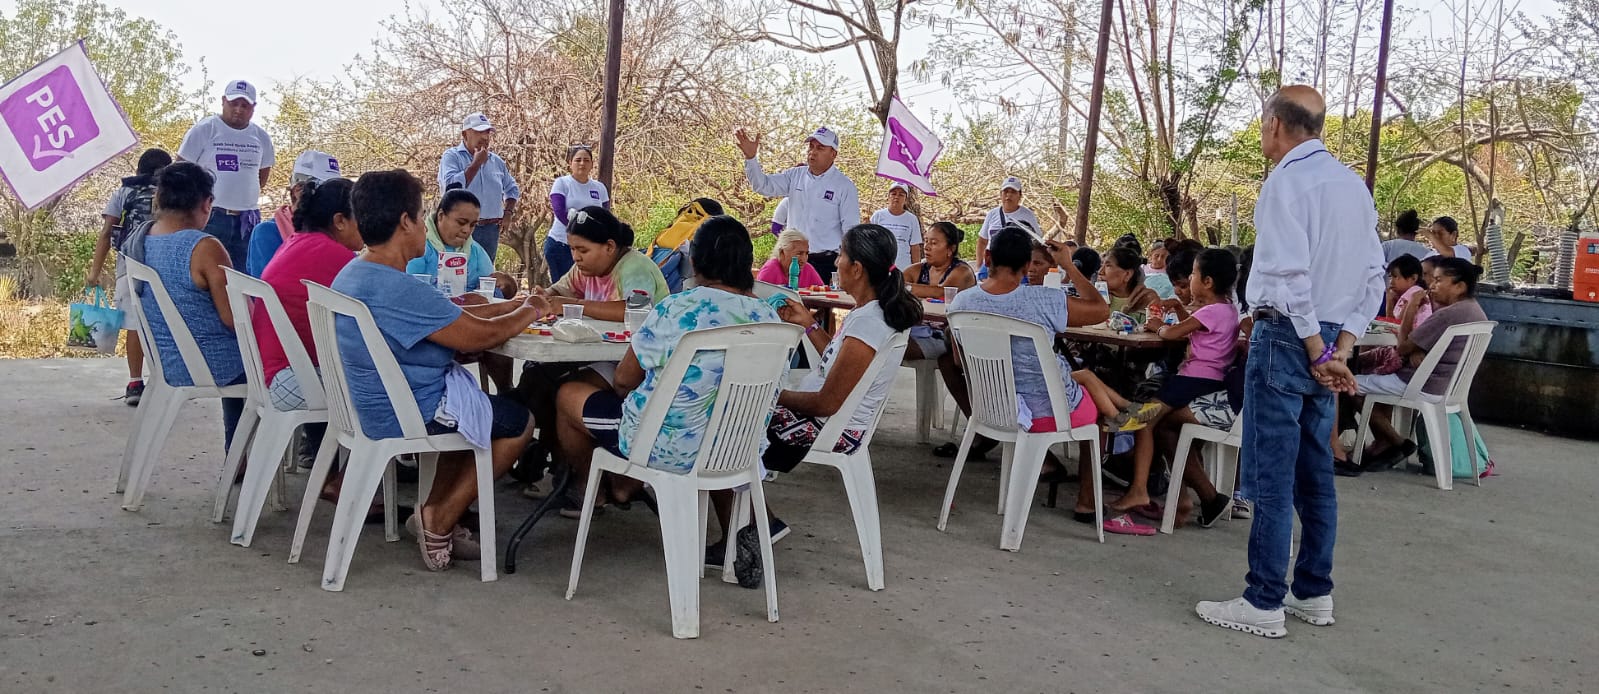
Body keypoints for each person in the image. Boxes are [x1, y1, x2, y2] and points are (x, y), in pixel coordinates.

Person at [1196, 86, 1385, 639]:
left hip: (1288, 336)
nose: (1262, 136)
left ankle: (1263, 601)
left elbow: (1287, 277)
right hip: (1328, 336)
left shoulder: (1284, 183)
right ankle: (1313, 590)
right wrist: (1342, 347)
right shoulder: (1353, 187)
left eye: (1261, 126)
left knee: (1272, 473)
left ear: (1276, 124)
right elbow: (1374, 277)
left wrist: (1313, 348)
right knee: (1315, 471)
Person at [331, 169, 548, 571]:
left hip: (372, 405)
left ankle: (433, 508)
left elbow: (457, 313)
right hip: (408, 410)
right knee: (518, 422)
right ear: (405, 222)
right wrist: (531, 310)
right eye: (422, 214)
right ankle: (440, 518)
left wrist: (507, 307)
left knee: (474, 407)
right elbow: (478, 337)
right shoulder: (399, 287)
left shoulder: (356, 273)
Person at [711, 223, 923, 585]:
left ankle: (747, 531)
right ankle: (758, 522)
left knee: (720, 427)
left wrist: (770, 396)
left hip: (827, 428)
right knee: (726, 414)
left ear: (857, 269)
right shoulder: (872, 315)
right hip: (834, 420)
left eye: (841, 256)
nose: (836, 262)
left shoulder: (869, 323)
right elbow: (839, 366)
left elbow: (826, 401)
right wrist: (809, 324)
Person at [552, 215, 784, 519]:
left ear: (695, 262)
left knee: (568, 393)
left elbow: (623, 379)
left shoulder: (676, 309)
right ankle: (622, 484)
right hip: (736, 447)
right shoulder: (769, 318)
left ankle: (596, 489)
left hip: (667, 448)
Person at [1101, 249, 1241, 513]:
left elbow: (1173, 333)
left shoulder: (1210, 311)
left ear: (1207, 281)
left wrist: (1158, 327)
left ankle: (1138, 489)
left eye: (1194, 274)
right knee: (1160, 425)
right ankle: (1183, 498)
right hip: (1210, 381)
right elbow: (1197, 330)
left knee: (1144, 419)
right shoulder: (1228, 310)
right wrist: (1177, 307)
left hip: (1192, 379)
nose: (1190, 279)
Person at [133, 163, 247, 451]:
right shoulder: (205, 247)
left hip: (166, 360)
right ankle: (244, 457)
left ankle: (239, 456)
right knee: (273, 366)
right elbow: (236, 319)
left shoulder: (141, 240)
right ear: (207, 203)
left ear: (158, 199)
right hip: (211, 365)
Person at [1345, 257, 1488, 472]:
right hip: (1445, 386)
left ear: (1459, 286)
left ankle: (1397, 442)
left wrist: (1411, 306)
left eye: (1439, 280)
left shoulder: (1448, 314)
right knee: (1374, 379)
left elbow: (1402, 347)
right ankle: (1383, 443)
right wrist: (1419, 348)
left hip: (1423, 384)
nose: (1431, 285)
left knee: (1347, 383)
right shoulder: (1473, 309)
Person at [255, 177, 359, 473]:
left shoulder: (296, 242)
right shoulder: (336, 256)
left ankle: (341, 472)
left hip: (277, 374)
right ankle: (356, 476)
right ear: (340, 221)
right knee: (384, 385)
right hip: (292, 380)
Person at [87, 148, 171, 406]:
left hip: (129, 264)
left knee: (134, 325)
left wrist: (94, 272)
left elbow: (105, 233)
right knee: (165, 324)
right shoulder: (172, 193)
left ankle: (135, 382)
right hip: (165, 264)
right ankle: (165, 382)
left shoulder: (124, 192)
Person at [737, 126, 861, 280]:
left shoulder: (844, 186)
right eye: (811, 146)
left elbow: (851, 229)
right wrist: (751, 158)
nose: (813, 152)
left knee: (819, 303)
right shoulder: (795, 175)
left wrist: (846, 262)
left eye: (820, 148)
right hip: (791, 260)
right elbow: (763, 186)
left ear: (833, 154)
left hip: (826, 262)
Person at [177, 80, 275, 266]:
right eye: (234, 103)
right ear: (223, 101)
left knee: (243, 275)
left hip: (247, 220)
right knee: (205, 271)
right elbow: (180, 172)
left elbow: (262, 174)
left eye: (245, 105)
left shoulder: (261, 137)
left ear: (253, 107)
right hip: (210, 215)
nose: (238, 109)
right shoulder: (205, 129)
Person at [540, 206, 669, 322]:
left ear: (609, 247)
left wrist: (575, 305)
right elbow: (559, 291)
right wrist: (544, 297)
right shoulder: (585, 268)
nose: (575, 257)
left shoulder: (637, 268)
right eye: (572, 249)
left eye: (583, 250)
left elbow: (634, 311)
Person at [438, 113, 521, 261]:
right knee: (457, 272)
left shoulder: (497, 161)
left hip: (490, 230)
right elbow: (451, 188)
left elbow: (512, 189)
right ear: (465, 134)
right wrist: (475, 164)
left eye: (487, 132)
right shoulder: (452, 156)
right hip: (461, 228)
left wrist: (508, 213)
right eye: (479, 132)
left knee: (485, 275)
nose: (485, 137)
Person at [405, 190, 517, 299]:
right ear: (440, 216)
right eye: (461, 222)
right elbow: (409, 293)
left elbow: (490, 294)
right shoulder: (418, 249)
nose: (466, 230)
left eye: (473, 225)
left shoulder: (477, 254)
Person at [246, 151, 342, 277]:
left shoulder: (338, 228)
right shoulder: (268, 232)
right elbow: (267, 289)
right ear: (298, 190)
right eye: (325, 191)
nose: (333, 199)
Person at [546, 144, 610, 283]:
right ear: (570, 163)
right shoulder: (562, 183)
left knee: (585, 290)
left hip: (589, 249)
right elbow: (559, 212)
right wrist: (580, 230)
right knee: (563, 290)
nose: (582, 163)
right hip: (562, 244)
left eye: (586, 160)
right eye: (578, 160)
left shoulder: (599, 188)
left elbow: (605, 216)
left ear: (592, 164)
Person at [974, 177, 1041, 272]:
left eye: (1013, 192)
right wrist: (979, 265)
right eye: (1006, 191)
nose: (1008, 195)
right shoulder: (992, 214)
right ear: (1000, 194)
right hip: (992, 263)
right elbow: (982, 241)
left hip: (1017, 265)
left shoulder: (1028, 215)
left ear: (1020, 195)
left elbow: (1037, 242)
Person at [868, 182, 923, 269]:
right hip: (881, 267)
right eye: (893, 194)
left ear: (906, 200)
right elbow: (869, 241)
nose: (896, 197)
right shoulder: (878, 216)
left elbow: (915, 247)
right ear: (888, 197)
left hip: (903, 268)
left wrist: (916, 270)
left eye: (901, 195)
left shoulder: (912, 219)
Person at [1102, 246, 1160, 322]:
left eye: (1108, 266)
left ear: (1127, 275)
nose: (1100, 271)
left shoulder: (1144, 300)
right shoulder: (1096, 297)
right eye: (1101, 265)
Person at [756, 229, 825, 288]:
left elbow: (823, 292)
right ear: (782, 252)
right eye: (799, 253)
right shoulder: (770, 269)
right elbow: (758, 298)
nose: (804, 259)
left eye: (806, 253)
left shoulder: (807, 268)